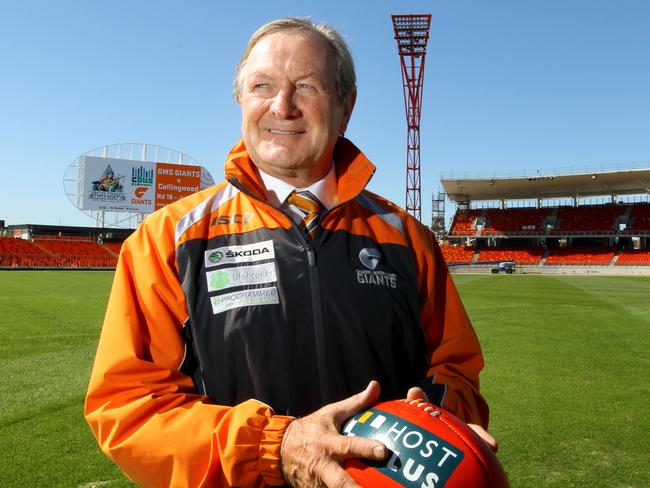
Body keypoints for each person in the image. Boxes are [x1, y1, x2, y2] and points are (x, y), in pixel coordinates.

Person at [85, 17, 495, 488]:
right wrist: (274, 448)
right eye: (262, 85)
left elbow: (457, 373)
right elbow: (128, 407)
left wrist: (435, 419)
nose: (282, 106)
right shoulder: (165, 239)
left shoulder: (406, 238)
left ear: (346, 106)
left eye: (307, 86)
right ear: (241, 100)